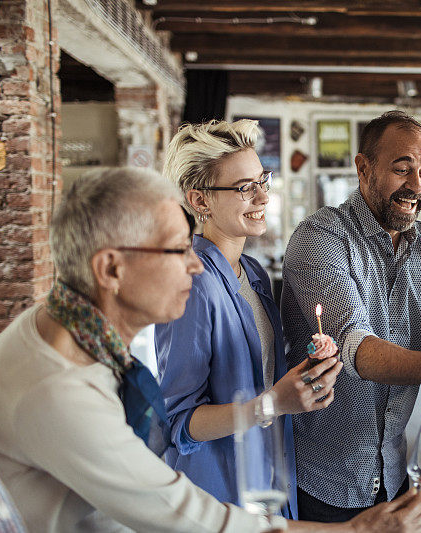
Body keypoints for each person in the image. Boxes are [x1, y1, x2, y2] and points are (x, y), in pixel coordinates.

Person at [0, 167, 421, 533]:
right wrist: (355, 530)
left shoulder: (68, 328)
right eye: (176, 248)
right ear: (111, 268)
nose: (196, 263)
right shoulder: (60, 390)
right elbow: (187, 515)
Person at [281, 110, 421, 522]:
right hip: (322, 478)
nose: (416, 185)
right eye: (402, 168)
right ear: (362, 168)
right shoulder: (319, 236)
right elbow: (356, 352)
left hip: (393, 475)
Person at [155, 120, 342, 513]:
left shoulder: (253, 272)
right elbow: (181, 424)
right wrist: (273, 403)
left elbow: (262, 372)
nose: (262, 197)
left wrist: (309, 368)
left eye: (263, 180)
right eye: (244, 188)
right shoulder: (191, 283)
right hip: (219, 494)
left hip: (270, 474)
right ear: (201, 200)